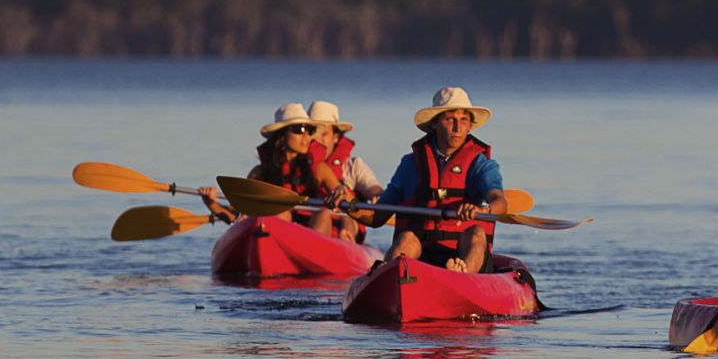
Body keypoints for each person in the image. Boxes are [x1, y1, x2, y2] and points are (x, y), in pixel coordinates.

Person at [364, 86, 506, 273]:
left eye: (463, 120)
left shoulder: (481, 164)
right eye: (450, 120)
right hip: (421, 251)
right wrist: (347, 206)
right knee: (406, 238)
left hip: (460, 251)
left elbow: (499, 201)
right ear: (434, 124)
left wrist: (482, 209)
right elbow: (377, 217)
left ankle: (461, 275)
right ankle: (390, 275)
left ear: (470, 125)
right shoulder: (410, 164)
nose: (457, 128)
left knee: (476, 234)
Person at [198, 102, 343, 235]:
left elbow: (342, 192)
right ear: (282, 135)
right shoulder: (260, 173)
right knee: (279, 213)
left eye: (309, 130)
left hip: (312, 234)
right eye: (299, 129)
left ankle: (312, 254)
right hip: (278, 236)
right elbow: (237, 216)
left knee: (323, 213)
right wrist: (212, 204)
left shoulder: (319, 169)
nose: (306, 136)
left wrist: (339, 194)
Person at [306, 99, 383, 242]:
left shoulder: (352, 166)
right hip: (312, 221)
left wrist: (376, 194)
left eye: (324, 134)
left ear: (336, 137)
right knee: (322, 214)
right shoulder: (302, 164)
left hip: (345, 222)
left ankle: (344, 243)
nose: (318, 140)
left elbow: (373, 187)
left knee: (344, 221)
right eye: (314, 133)